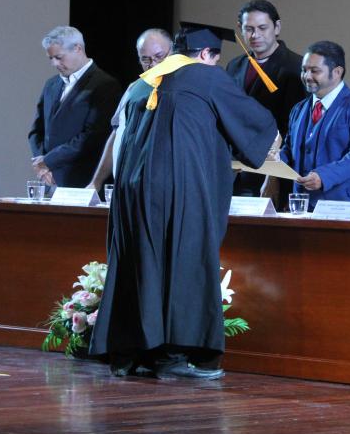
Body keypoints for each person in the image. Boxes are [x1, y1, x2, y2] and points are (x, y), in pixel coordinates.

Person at [89, 22, 279, 381]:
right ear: (206, 55)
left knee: (141, 264)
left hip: (131, 192)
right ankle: (175, 355)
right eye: (214, 60)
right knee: (183, 262)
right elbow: (258, 127)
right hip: (179, 191)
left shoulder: (141, 83)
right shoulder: (207, 78)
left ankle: (133, 353)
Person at [272, 40, 350, 214]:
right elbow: (290, 149)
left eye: (315, 71)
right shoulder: (299, 108)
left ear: (337, 72)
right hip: (303, 206)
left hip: (347, 205)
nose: (307, 76)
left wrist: (323, 177)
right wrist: (274, 160)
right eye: (304, 70)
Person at [226, 0, 305, 198]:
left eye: (262, 28)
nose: (255, 35)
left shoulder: (296, 67)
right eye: (249, 29)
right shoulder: (235, 66)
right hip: (236, 168)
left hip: (272, 168)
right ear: (240, 29)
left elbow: (294, 126)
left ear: (277, 27)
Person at [29, 26, 121, 188]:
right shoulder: (51, 84)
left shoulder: (104, 85)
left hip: (81, 179)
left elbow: (93, 137)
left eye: (59, 57)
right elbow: (36, 130)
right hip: (49, 179)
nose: (54, 64)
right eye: (50, 58)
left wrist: (49, 161)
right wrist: (42, 165)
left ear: (78, 49)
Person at [86, 28, 173, 192]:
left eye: (159, 57)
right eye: (145, 59)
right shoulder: (134, 89)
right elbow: (118, 133)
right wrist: (96, 182)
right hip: (127, 182)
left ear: (173, 52)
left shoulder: (181, 90)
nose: (152, 64)